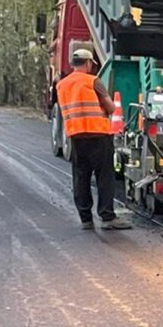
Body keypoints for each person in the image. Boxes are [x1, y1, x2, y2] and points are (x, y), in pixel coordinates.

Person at [55, 48, 133, 231]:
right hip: (99, 136)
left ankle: (85, 219)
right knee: (104, 176)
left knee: (80, 178)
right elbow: (111, 107)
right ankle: (107, 217)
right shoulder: (93, 81)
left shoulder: (62, 85)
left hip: (76, 137)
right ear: (89, 63)